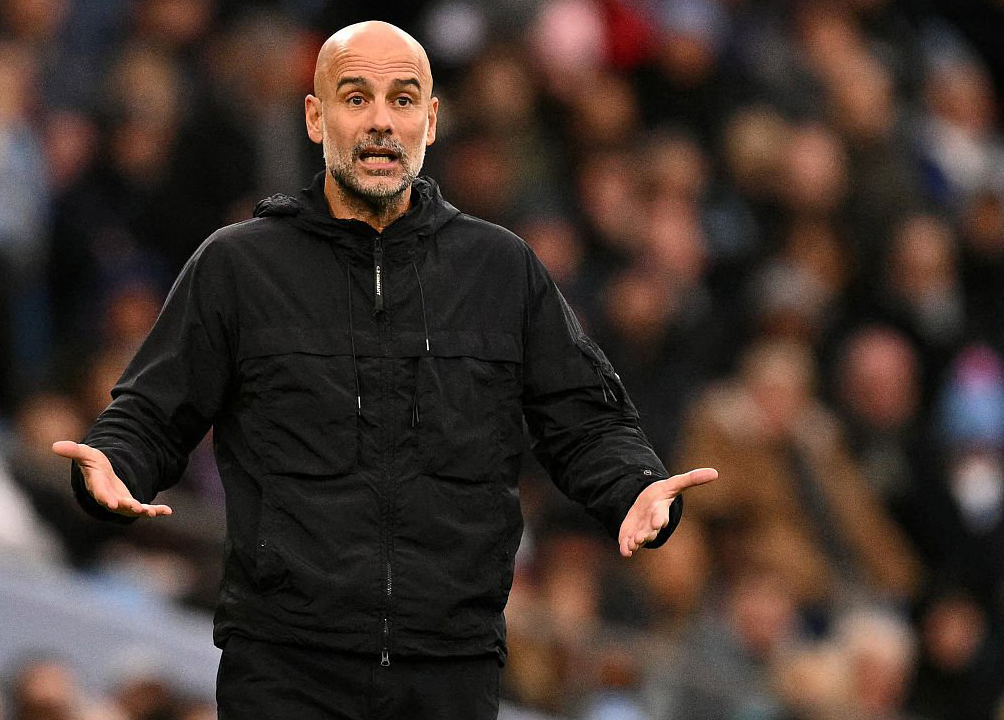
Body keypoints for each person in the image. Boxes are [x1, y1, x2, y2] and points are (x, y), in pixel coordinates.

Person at [53, 20, 717, 719]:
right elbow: (152, 413)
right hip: (283, 667)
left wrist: (636, 483)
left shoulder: (502, 270)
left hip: (450, 673)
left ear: (431, 121)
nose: (380, 121)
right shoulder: (237, 266)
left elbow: (585, 422)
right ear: (316, 118)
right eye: (355, 97)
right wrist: (112, 461)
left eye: (403, 100)